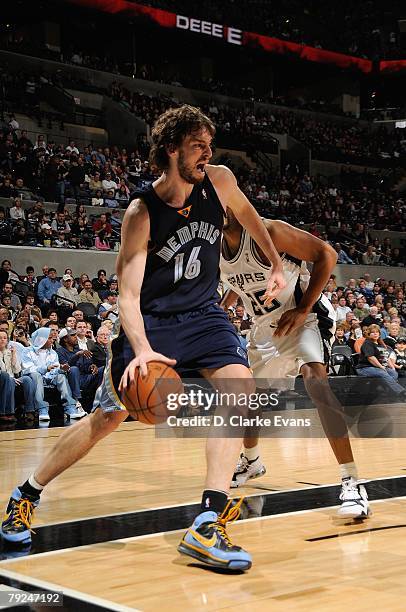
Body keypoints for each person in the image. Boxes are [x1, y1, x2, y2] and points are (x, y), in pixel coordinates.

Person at [1, 105, 285, 572]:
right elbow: (128, 295)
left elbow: (252, 217)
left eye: (209, 147)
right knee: (107, 418)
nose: (207, 155)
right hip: (152, 323)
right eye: (198, 146)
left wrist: (274, 262)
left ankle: (209, 519)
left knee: (240, 389)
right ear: (172, 149)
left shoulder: (220, 181)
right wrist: (145, 349)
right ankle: (26, 492)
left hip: (205, 316)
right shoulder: (141, 210)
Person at [220, 210, 370, 518]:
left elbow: (326, 254)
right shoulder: (213, 244)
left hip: (304, 317)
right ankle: (252, 461)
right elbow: (240, 277)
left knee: (316, 382)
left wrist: (303, 308)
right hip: (264, 326)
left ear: (233, 205)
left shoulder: (269, 232)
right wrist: (224, 307)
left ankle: (352, 480)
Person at [356, 324, 405, 397]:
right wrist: (381, 367)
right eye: (373, 332)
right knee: (383, 373)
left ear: (379, 333)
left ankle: (387, 392)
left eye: (377, 332)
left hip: (377, 368)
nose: (375, 334)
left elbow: (386, 358)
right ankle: (401, 392)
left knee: (393, 373)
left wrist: (392, 367)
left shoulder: (380, 344)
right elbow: (371, 358)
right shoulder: (367, 343)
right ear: (369, 334)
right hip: (364, 368)